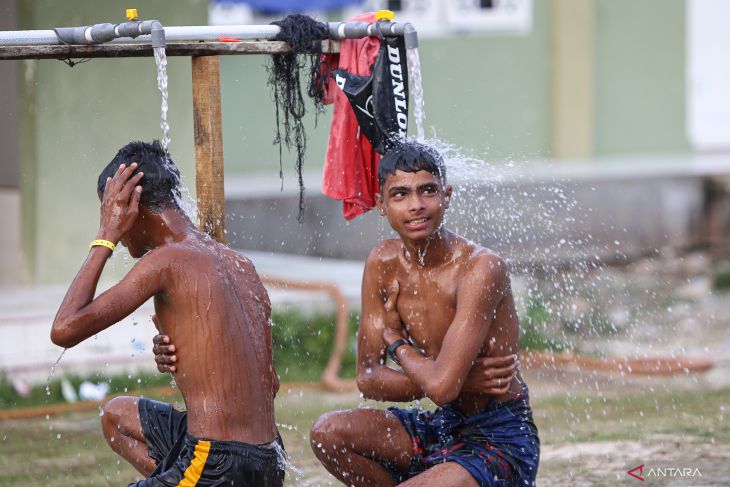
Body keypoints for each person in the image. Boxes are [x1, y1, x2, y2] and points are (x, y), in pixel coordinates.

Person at [50, 140, 285, 486]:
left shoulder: (167, 259)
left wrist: (105, 236)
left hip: (217, 460)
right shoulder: (239, 262)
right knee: (117, 416)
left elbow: (65, 328)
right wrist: (192, 361)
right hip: (269, 458)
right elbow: (270, 384)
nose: (110, 219)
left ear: (131, 206)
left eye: (110, 209)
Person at [308, 141, 540, 486]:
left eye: (427, 191)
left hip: (499, 436)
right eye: (400, 195)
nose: (416, 205)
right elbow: (368, 377)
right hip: (441, 426)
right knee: (327, 433)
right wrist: (452, 383)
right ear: (381, 205)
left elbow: (443, 388)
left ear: (446, 195)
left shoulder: (480, 268)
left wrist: (397, 343)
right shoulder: (382, 263)